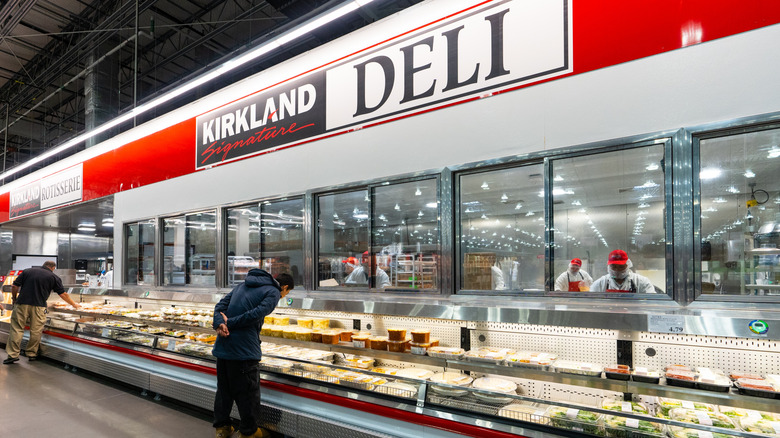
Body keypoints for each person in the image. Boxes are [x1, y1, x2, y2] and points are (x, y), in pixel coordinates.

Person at [212, 270, 293, 438]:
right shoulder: (273, 292)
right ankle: (249, 433)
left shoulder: (242, 285)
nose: (283, 296)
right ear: (284, 287)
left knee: (224, 391)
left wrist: (220, 324)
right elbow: (256, 314)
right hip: (244, 350)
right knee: (248, 393)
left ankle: (223, 429)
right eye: (287, 293)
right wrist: (230, 323)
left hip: (223, 347)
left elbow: (219, 307)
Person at [4, 261, 81, 364]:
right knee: (36, 330)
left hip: (22, 304)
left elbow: (14, 286)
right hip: (39, 306)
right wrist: (74, 305)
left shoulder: (27, 271)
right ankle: (31, 354)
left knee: (16, 329)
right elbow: (63, 294)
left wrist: (14, 299)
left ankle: (12, 355)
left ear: (43, 265)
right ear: (53, 267)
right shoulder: (53, 277)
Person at [590, 250, 655, 293]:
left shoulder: (642, 282)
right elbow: (591, 302)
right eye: (614, 266)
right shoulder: (600, 283)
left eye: (621, 266)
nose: (617, 270)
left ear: (628, 265)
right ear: (609, 266)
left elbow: (652, 301)